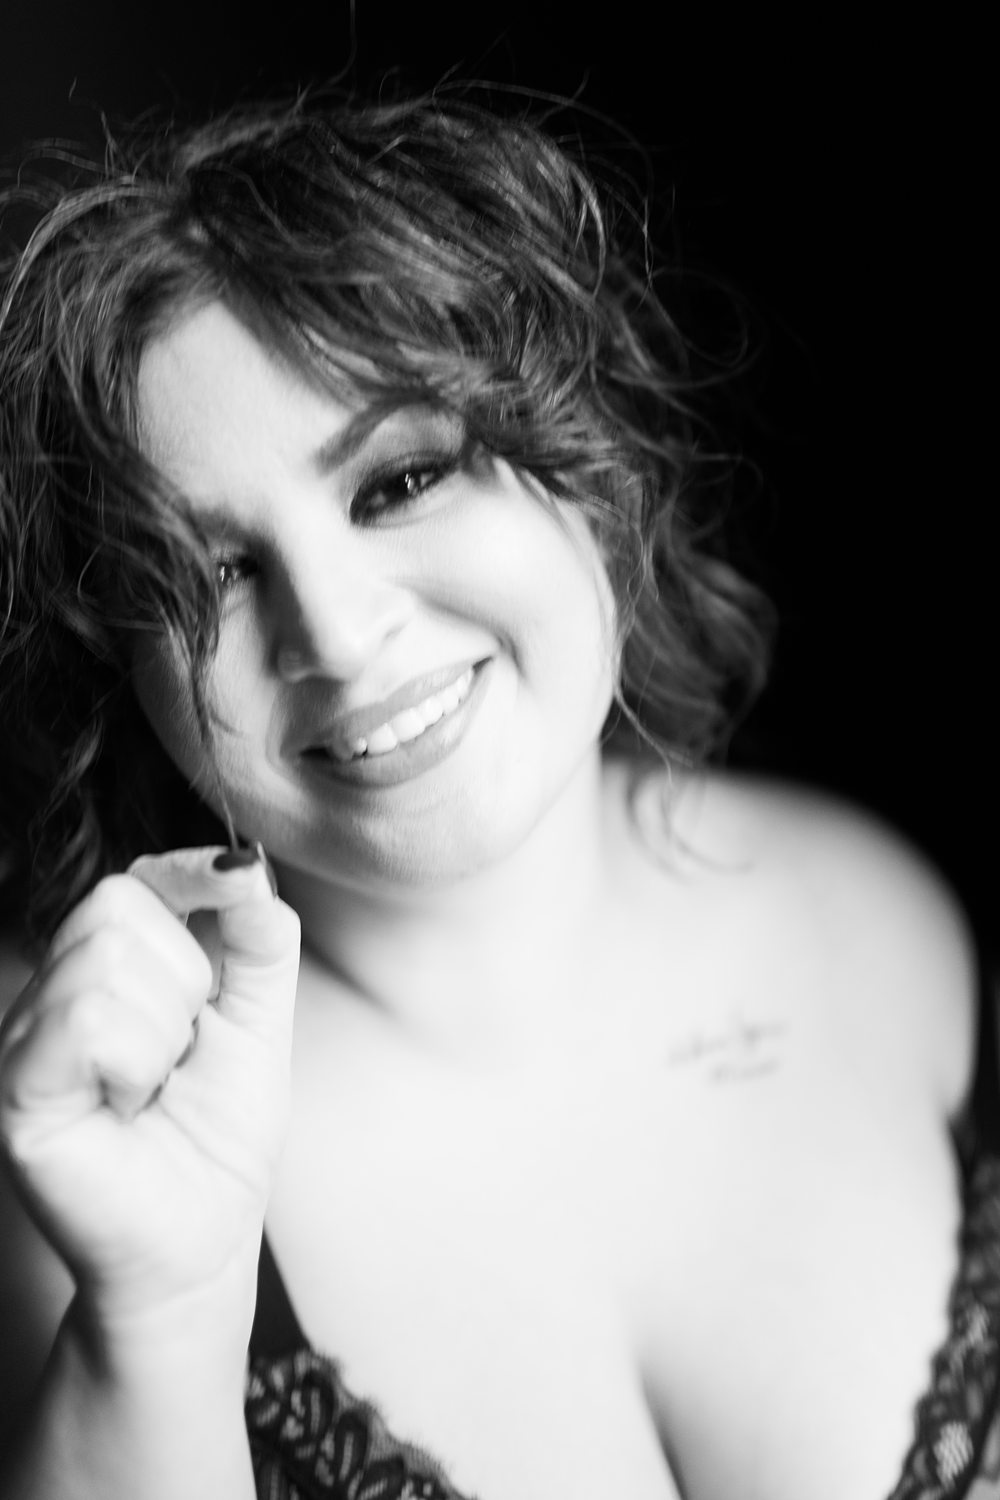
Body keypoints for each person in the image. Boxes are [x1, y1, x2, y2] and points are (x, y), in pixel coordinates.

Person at [0, 84, 994, 1500]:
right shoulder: (78, 1118)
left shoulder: (884, 908)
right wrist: (153, 1320)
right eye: (210, 576)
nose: (338, 638)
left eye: (399, 479)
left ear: (587, 458)